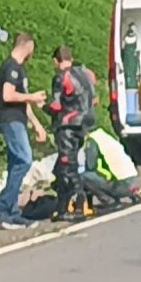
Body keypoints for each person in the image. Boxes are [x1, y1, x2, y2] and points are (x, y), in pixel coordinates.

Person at [0, 32, 47, 229]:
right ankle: (2, 205)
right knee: (25, 159)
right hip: (10, 119)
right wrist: (31, 97)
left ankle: (12, 212)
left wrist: (36, 124)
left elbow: (24, 101)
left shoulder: (20, 70)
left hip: (20, 118)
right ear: (27, 45)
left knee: (15, 164)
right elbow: (7, 95)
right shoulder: (10, 67)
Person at [44, 45, 96, 222]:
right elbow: (94, 98)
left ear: (55, 60)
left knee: (68, 166)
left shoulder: (60, 77)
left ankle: (78, 201)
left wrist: (41, 105)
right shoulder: (85, 73)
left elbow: (56, 106)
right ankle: (63, 204)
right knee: (63, 166)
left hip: (68, 124)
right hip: (85, 122)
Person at [81, 128, 141, 209]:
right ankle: (133, 195)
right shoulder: (105, 135)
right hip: (132, 179)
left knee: (83, 176)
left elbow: (90, 165)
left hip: (120, 185)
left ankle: (109, 201)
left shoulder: (92, 140)